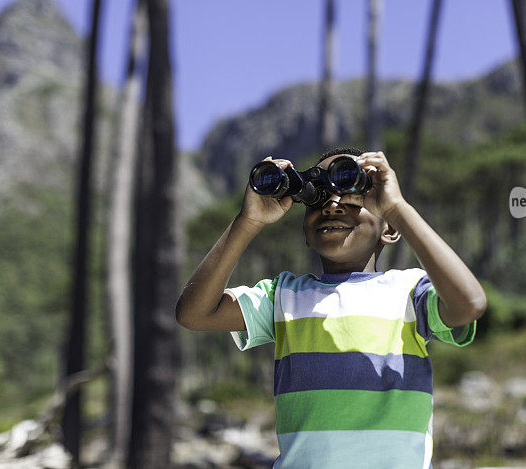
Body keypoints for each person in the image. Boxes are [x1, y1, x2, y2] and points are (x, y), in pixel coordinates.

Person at [176, 147, 488, 469]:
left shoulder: (408, 292)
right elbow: (194, 314)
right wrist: (249, 221)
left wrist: (397, 207)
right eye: (316, 198)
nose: (332, 205)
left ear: (389, 228)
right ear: (306, 234)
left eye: (352, 197)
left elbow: (469, 304)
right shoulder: (283, 296)